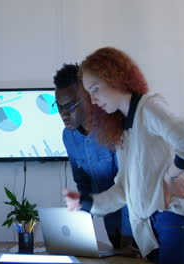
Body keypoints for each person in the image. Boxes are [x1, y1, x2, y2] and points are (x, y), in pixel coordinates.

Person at [64, 47, 184, 264]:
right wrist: (85, 203)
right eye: (90, 93)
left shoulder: (148, 106)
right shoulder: (125, 130)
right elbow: (123, 190)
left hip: (177, 222)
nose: (94, 100)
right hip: (154, 229)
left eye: (95, 89)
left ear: (115, 78)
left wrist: (170, 177)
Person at [53, 63, 134, 250]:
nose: (63, 114)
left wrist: (128, 236)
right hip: (112, 223)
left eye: (70, 106)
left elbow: (131, 188)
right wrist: (78, 233)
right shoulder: (69, 136)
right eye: (58, 107)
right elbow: (83, 185)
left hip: (138, 222)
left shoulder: (117, 127)